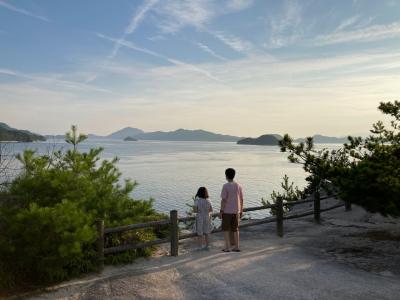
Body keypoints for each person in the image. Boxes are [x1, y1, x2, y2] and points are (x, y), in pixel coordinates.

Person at [219, 168, 243, 252]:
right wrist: (241, 211)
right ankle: (237, 247)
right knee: (235, 229)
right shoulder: (238, 185)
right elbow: (241, 199)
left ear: (226, 176)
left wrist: (221, 211)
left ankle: (227, 247)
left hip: (227, 211)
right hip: (236, 211)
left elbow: (223, 200)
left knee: (226, 229)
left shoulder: (225, 186)